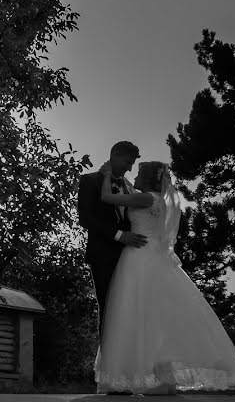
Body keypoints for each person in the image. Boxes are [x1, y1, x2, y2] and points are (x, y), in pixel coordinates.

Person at [94, 161, 235, 394]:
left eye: (138, 173)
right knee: (158, 317)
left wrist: (107, 175)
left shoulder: (146, 199)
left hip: (139, 256)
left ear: (147, 179)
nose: (134, 177)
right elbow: (131, 192)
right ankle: (163, 377)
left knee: (138, 314)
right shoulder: (158, 200)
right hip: (155, 256)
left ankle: (146, 376)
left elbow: (107, 198)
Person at [77, 141, 147, 335]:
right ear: (114, 155)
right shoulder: (89, 180)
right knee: (108, 307)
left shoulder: (130, 187)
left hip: (131, 257)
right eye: (127, 162)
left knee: (132, 309)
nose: (130, 168)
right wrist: (119, 235)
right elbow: (86, 218)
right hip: (102, 255)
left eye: (133, 164)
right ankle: (108, 360)